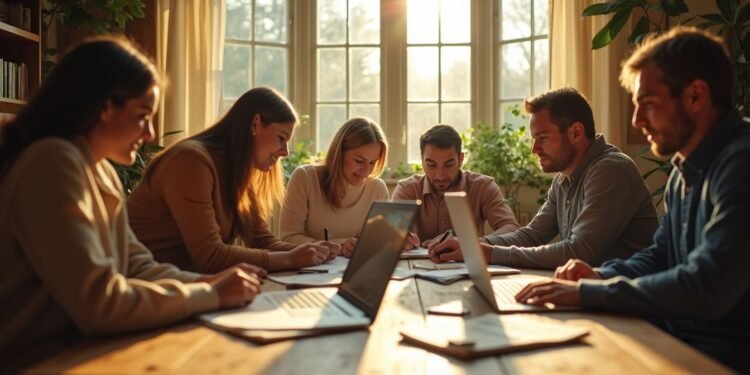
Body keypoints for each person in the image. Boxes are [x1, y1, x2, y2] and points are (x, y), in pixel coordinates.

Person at [0, 36, 264, 373]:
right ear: (105, 107)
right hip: (37, 361)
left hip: (80, 350)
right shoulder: (50, 162)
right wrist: (211, 296)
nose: (151, 134)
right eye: (143, 116)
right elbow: (99, 304)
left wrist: (211, 283)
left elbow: (138, 266)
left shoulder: (99, 170)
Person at [514, 27, 750, 372]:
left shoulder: (741, 162)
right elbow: (660, 256)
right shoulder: (685, 169)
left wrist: (590, 293)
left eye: (648, 105)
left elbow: (707, 285)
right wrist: (597, 275)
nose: (637, 122)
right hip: (677, 337)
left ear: (696, 97)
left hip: (723, 356)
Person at [429, 88, 658, 269]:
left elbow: (579, 251)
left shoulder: (611, 171)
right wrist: (473, 245)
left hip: (627, 309)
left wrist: (486, 253)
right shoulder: (563, 178)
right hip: (591, 295)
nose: (534, 149)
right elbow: (532, 235)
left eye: (542, 138)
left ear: (576, 132)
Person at [127, 87, 339, 273]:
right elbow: (210, 256)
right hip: (143, 286)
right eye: (281, 138)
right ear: (255, 124)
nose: (285, 152)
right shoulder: (190, 161)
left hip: (181, 282)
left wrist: (315, 250)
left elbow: (261, 241)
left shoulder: (239, 172)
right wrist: (290, 258)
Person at [392, 125, 520, 249]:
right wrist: (398, 238)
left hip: (467, 267)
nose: (440, 175)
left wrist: (470, 244)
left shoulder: (483, 186)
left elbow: (511, 228)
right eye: (431, 165)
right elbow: (390, 235)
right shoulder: (407, 189)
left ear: (461, 159)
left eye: (448, 165)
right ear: (422, 160)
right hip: (415, 267)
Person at [280, 117, 389, 257]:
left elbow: (376, 242)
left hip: (354, 272)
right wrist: (340, 246)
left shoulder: (377, 189)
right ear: (339, 153)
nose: (366, 170)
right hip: (309, 270)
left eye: (373, 162)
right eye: (359, 161)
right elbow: (288, 238)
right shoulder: (305, 177)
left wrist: (397, 240)